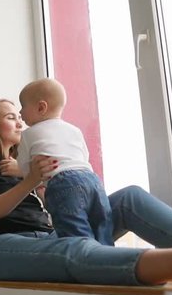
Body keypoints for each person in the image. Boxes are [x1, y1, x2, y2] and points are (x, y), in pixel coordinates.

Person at [0, 98, 172, 285]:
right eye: (10, 117)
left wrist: (46, 179)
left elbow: (55, 204)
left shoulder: (26, 166)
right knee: (73, 247)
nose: (20, 122)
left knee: (129, 198)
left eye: (19, 116)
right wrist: (30, 181)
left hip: (48, 238)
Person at [16, 78, 113, 245]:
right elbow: (84, 156)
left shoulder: (28, 134)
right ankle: (108, 258)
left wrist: (34, 182)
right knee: (103, 227)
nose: (20, 113)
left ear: (41, 107)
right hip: (92, 180)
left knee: (76, 236)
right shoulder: (74, 129)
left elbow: (26, 169)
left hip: (62, 183)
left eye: (23, 106)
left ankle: (85, 266)